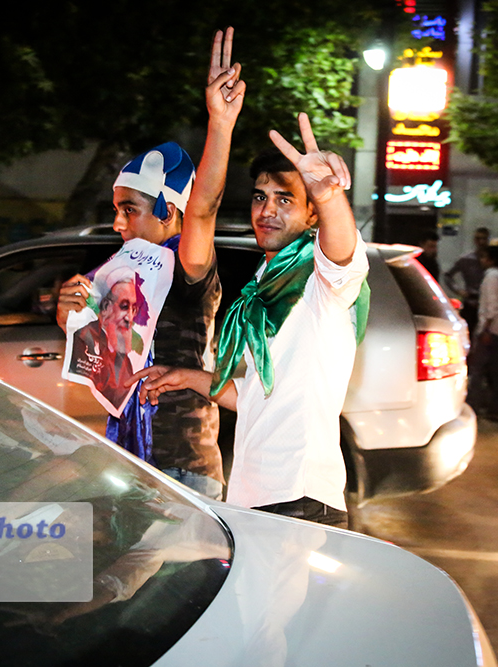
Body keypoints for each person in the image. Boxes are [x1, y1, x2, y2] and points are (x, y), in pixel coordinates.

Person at [131, 110, 370, 530]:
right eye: (261, 197)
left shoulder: (321, 281)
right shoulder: (262, 286)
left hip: (299, 499)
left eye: (285, 199)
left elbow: (343, 256)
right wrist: (187, 377)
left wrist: (329, 196)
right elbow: (256, 398)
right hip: (257, 496)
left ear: (312, 215)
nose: (267, 210)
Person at [56, 29, 244, 500]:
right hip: (127, 460)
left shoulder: (187, 267)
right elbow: (101, 359)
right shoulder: (120, 270)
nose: (117, 222)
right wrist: (71, 316)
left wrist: (220, 125)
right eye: (115, 209)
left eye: (130, 209)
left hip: (181, 469)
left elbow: (203, 209)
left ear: (167, 211)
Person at [68, 268, 139, 409]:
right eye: (124, 307)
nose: (129, 317)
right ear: (106, 307)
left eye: (134, 309)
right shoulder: (84, 338)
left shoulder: (124, 359)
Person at [468, 243, 498, 421]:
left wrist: (486, 329)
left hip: (489, 329)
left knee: (477, 370)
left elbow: (492, 306)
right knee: (495, 371)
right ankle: (497, 407)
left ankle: (473, 406)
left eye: (484, 257)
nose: (481, 260)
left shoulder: (491, 277)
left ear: (491, 259)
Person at [443, 226, 490, 336]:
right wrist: (458, 290)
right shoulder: (466, 259)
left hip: (488, 302)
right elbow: (448, 275)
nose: (481, 242)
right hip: (471, 300)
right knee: (467, 332)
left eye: (484, 239)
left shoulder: (493, 260)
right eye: (478, 239)